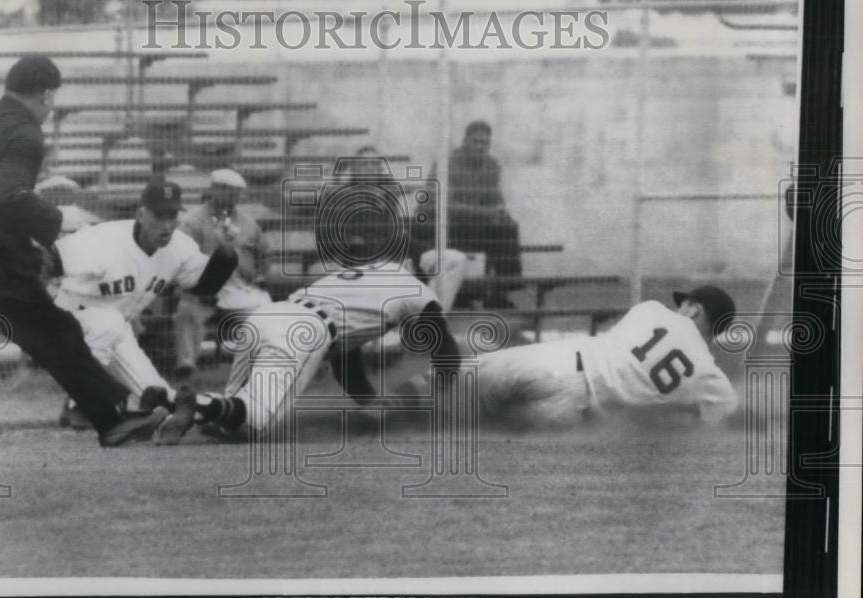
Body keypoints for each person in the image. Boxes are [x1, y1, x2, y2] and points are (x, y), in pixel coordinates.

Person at [0, 56, 169, 452]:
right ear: (47, 95)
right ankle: (113, 419)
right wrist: (60, 219)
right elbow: (9, 197)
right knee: (56, 331)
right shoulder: (25, 133)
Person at [154, 259, 462, 444]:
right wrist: (443, 399)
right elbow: (446, 352)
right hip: (303, 330)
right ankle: (190, 400)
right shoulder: (416, 289)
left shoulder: (371, 272)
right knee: (256, 424)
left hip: (267, 315)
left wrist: (369, 401)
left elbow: (346, 356)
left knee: (232, 424)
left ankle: (187, 408)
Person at [402, 285, 740, 429]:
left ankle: (385, 409)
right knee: (484, 430)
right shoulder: (709, 377)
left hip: (558, 361)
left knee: (447, 387)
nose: (679, 307)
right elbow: (727, 417)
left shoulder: (652, 310)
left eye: (685, 303)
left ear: (694, 309)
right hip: (572, 412)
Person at [50, 177, 239, 428]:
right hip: (65, 323)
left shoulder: (180, 248)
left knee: (158, 395)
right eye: (159, 216)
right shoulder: (104, 239)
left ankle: (222, 412)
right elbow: (46, 261)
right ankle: (81, 405)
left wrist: (225, 251)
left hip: (113, 330)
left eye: (172, 216)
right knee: (108, 322)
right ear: (141, 214)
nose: (167, 225)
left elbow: (204, 287)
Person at [174, 169, 271, 377]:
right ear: (214, 190)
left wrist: (261, 276)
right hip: (203, 289)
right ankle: (186, 368)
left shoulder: (247, 222)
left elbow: (263, 252)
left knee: (265, 316)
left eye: (236, 193)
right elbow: (180, 257)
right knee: (186, 311)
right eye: (228, 191)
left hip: (241, 288)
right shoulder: (192, 221)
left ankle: (265, 368)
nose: (233, 197)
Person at [448, 120, 523, 308]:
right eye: (476, 142)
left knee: (508, 228)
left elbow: (495, 197)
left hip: (478, 223)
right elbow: (445, 205)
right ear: (465, 141)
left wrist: (501, 212)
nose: (480, 147)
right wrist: (485, 212)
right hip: (449, 224)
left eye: (485, 143)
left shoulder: (491, 165)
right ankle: (463, 294)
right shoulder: (449, 163)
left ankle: (501, 292)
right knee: (468, 232)